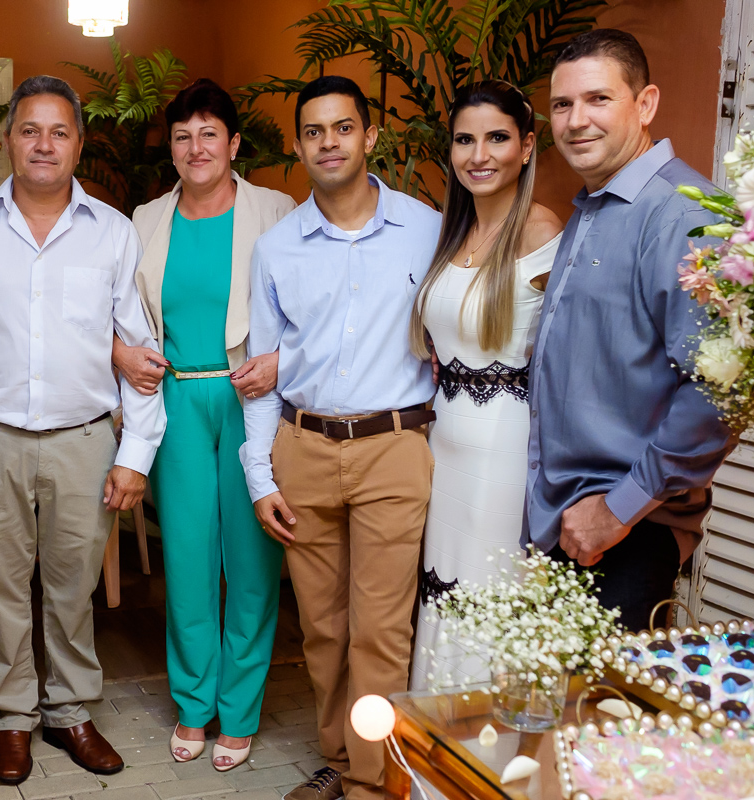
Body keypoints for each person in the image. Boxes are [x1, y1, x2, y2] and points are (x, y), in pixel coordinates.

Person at [0, 75, 166, 787]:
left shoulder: (112, 233)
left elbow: (140, 355)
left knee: (70, 584)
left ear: (80, 145)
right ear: (7, 141)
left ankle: (70, 712)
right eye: (30, 130)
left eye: (59, 132)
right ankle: (11, 718)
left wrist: (135, 454)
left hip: (84, 438)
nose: (43, 144)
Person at [241, 76, 441, 800]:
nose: (330, 142)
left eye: (344, 127)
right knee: (322, 630)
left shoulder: (428, 228)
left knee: (381, 631)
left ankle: (372, 779)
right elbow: (262, 375)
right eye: (315, 131)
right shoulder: (276, 249)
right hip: (304, 446)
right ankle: (342, 753)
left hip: (394, 445)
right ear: (298, 147)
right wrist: (261, 476)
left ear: (370, 137)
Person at [523, 29, 737, 630]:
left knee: (608, 718)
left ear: (644, 104)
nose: (575, 120)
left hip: (628, 526)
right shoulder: (592, 208)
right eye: (562, 105)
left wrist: (617, 510)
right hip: (571, 516)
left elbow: (716, 391)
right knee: (566, 715)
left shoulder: (686, 216)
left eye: (598, 99)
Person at [110, 78, 294, 771]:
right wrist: (122, 353)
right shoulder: (144, 219)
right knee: (187, 560)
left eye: (209, 133)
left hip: (253, 402)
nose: (196, 147)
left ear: (234, 142)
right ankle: (195, 704)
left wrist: (281, 361)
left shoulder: (277, 211)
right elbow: (112, 313)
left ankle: (240, 711)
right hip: (177, 402)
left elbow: (312, 307)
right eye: (183, 136)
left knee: (251, 563)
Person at [407, 81, 563, 689]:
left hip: (505, 452)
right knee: (441, 589)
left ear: (526, 147)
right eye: (465, 140)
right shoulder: (453, 231)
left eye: (496, 138)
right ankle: (432, 761)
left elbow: (565, 358)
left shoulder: (542, 231)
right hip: (442, 445)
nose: (479, 154)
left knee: (488, 593)